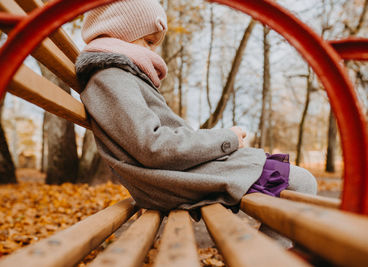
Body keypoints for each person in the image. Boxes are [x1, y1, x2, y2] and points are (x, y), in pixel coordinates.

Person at [75, 0, 317, 244]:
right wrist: (228, 138)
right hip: (167, 178)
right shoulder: (110, 75)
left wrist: (224, 140)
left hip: (172, 172)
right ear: (120, 29)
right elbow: (152, 146)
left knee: (297, 181)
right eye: (148, 42)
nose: (152, 52)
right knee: (300, 183)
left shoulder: (116, 72)